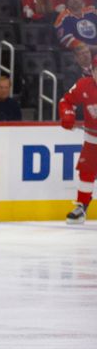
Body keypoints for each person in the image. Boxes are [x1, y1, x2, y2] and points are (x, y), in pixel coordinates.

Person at [59, 55, 97, 224]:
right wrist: (68, 115)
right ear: (92, 72)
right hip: (92, 139)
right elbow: (66, 101)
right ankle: (82, 207)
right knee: (86, 172)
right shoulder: (84, 85)